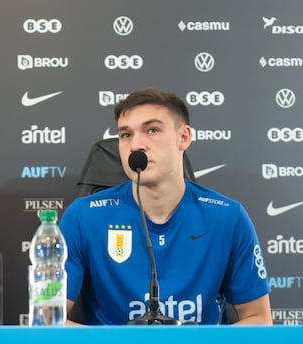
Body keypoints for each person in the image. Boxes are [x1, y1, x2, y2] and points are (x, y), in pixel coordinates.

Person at [60, 87, 272, 325]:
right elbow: (48, 320)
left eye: (152, 130)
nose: (136, 145)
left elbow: (258, 318)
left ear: (184, 138)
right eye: (125, 135)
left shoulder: (227, 217)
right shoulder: (83, 217)